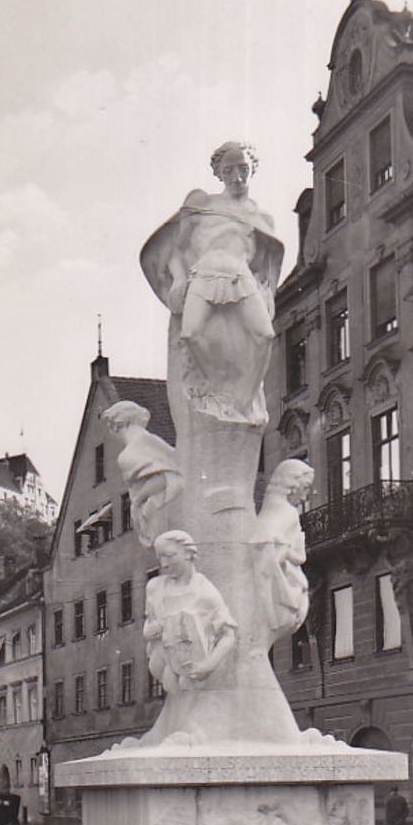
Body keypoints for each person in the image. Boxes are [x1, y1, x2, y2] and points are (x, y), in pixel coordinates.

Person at [140, 141, 284, 424]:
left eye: (243, 169)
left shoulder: (262, 217)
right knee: (190, 335)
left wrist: (266, 293)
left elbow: (264, 270)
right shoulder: (202, 203)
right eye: (229, 170)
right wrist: (180, 277)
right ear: (218, 173)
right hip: (204, 276)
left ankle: (243, 400)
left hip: (240, 278)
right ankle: (215, 384)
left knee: (265, 336)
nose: (237, 177)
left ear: (253, 168)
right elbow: (175, 250)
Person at [143, 530, 237, 692]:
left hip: (194, 670)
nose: (164, 564)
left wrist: (208, 665)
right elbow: (149, 623)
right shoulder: (155, 588)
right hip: (165, 663)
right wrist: (149, 631)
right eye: (161, 558)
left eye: (170, 555)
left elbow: (228, 635)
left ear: (187, 553)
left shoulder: (205, 592)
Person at [102, 401, 183, 546]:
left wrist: (138, 500)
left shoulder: (129, 454)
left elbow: (163, 478)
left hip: (160, 516)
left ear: (115, 426)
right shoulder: (154, 441)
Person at [251, 458, 314, 639]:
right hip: (282, 584)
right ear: (292, 485)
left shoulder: (269, 508)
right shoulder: (288, 512)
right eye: (305, 487)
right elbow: (297, 556)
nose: (306, 495)